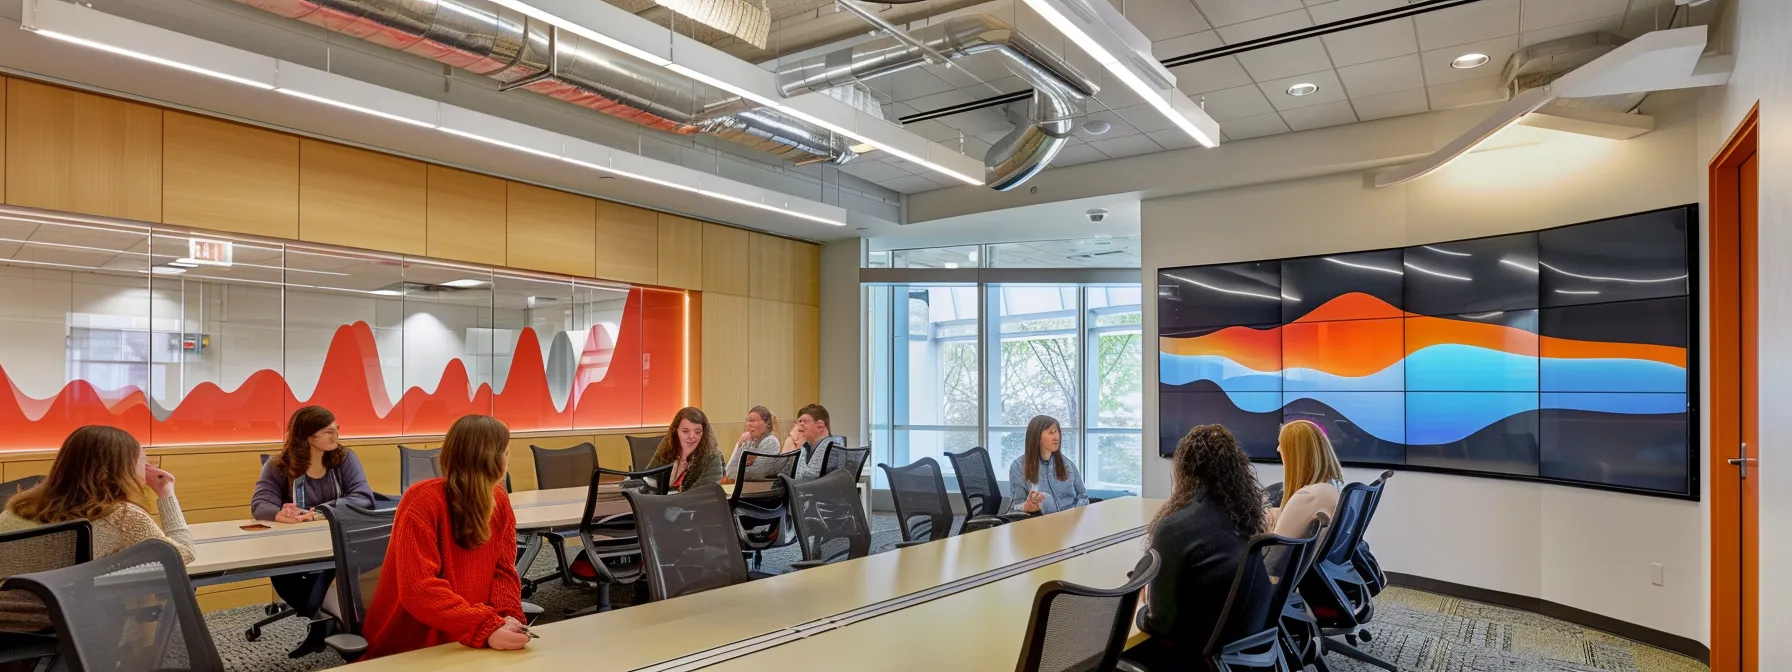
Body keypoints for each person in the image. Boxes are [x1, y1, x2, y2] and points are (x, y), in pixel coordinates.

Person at [361, 415, 529, 658]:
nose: (508, 459)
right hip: (415, 642)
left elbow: (502, 570)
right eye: (506, 452)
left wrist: (507, 615)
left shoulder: (500, 501)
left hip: (471, 631)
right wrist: (484, 625)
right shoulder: (423, 500)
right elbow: (419, 590)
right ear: (492, 459)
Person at [0, 426, 196, 633]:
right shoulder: (122, 516)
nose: (147, 467)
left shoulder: (18, 506)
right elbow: (182, 553)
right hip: (50, 620)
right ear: (123, 468)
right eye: (143, 461)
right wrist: (166, 494)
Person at [1126, 424, 1267, 669]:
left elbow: (1160, 623)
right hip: (1239, 646)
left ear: (1184, 470)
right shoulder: (1240, 516)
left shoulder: (1175, 526)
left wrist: (1140, 610)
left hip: (1194, 654)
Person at [251, 406, 377, 655]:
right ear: (308, 437)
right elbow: (260, 504)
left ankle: (330, 622)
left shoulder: (345, 459)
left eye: (336, 429)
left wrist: (321, 511)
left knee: (339, 568)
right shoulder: (279, 465)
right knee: (283, 575)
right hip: (296, 545)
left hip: (340, 541)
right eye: (328, 432)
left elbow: (363, 497)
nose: (335, 436)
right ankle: (334, 621)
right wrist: (281, 514)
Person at [1266, 419, 1344, 537]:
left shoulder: (1307, 497)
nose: (1278, 449)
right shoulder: (1332, 487)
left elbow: (1276, 548)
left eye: (1281, 444)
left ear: (1296, 454)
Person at [1005, 415, 1089, 515]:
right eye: (1051, 432)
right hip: (1042, 523)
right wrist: (1026, 507)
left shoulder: (1067, 464)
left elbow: (1082, 495)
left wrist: (1075, 513)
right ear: (1037, 436)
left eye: (1057, 431)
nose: (1057, 437)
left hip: (1071, 521)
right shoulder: (1018, 466)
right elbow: (1015, 508)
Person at [647, 407, 723, 491]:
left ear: (704, 433)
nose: (691, 436)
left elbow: (703, 494)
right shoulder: (667, 449)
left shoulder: (712, 457)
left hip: (693, 503)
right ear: (676, 431)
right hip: (662, 502)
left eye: (697, 432)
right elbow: (648, 478)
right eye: (685, 431)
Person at [722, 406, 783, 481]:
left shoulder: (771, 442)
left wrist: (741, 467)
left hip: (762, 489)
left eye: (752, 420)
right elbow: (729, 471)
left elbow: (756, 474)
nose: (748, 424)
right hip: (746, 488)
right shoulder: (749, 441)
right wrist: (739, 444)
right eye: (747, 421)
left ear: (767, 423)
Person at [785, 404, 844, 480]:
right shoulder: (807, 447)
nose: (799, 425)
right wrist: (790, 439)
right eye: (799, 421)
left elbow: (809, 478)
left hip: (815, 491)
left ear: (820, 425)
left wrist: (798, 446)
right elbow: (786, 471)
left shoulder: (832, 448)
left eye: (804, 421)